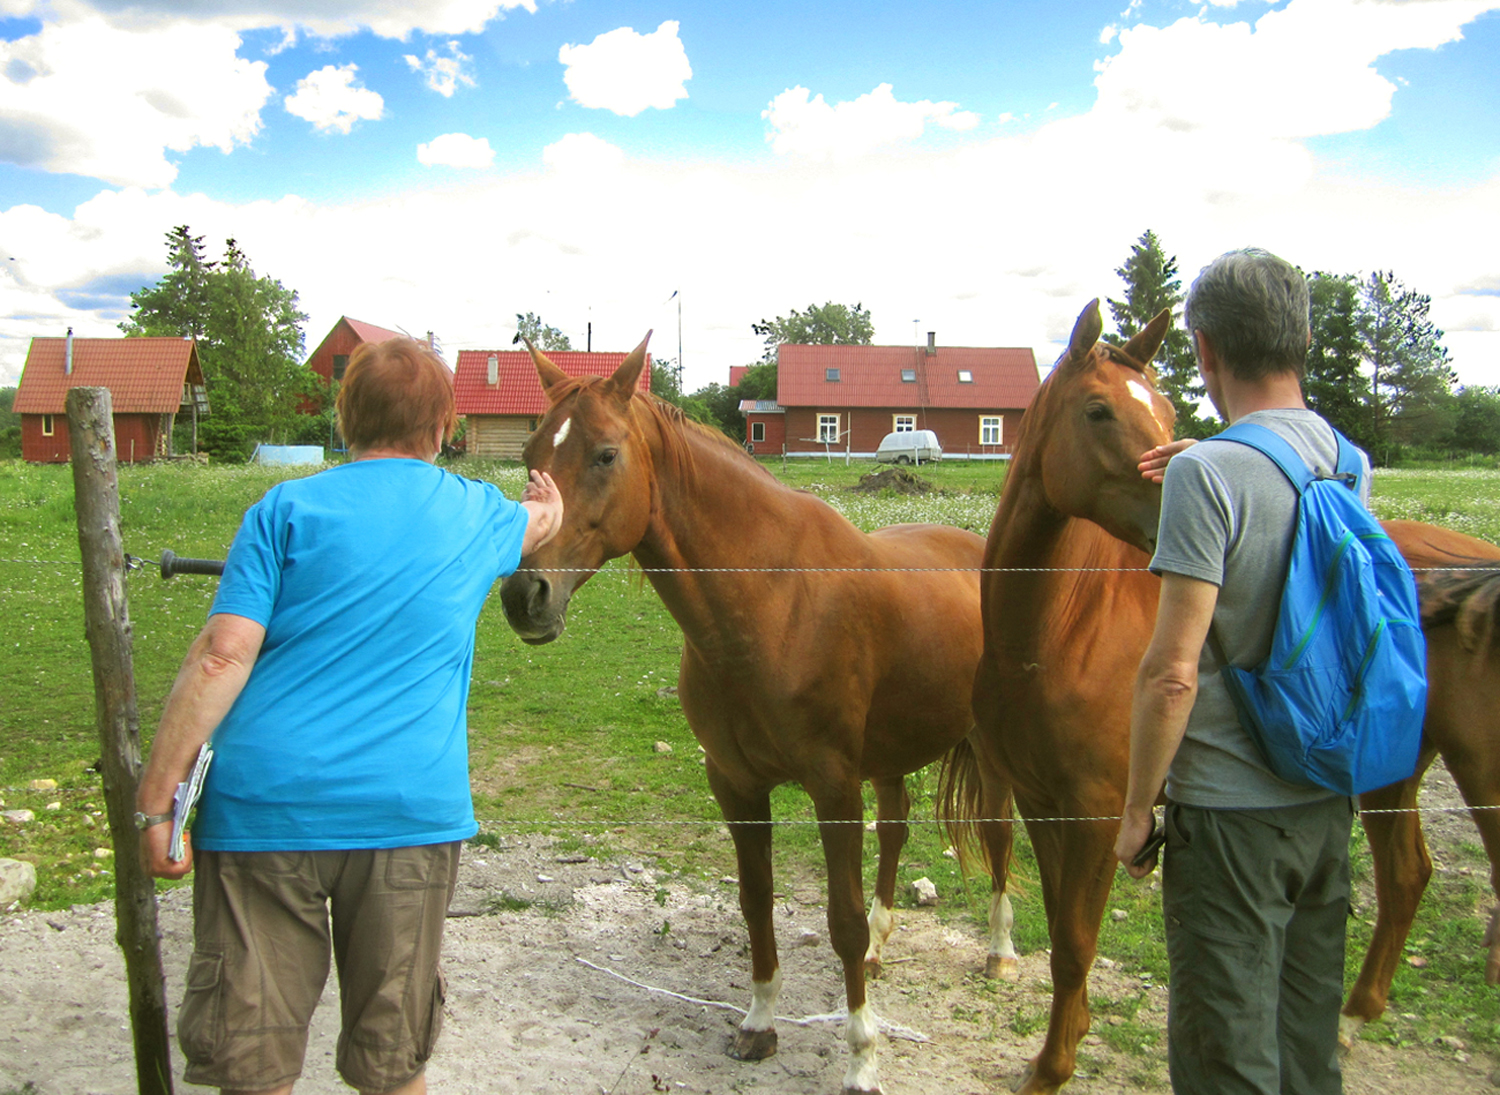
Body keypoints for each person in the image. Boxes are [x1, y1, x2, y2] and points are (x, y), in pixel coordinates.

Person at [135, 336, 563, 1095]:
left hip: (264, 811)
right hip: (406, 815)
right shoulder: (475, 514)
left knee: (251, 1065)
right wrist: (546, 504)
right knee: (393, 1064)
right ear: (445, 426)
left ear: (344, 416)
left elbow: (221, 656)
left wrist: (157, 801)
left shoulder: (282, 509)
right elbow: (537, 524)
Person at [1113, 249, 1366, 1094]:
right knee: (1306, 1047)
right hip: (1325, 801)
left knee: (1226, 1056)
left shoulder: (1206, 473)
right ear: (1302, 339)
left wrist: (1138, 809)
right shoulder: (1348, 459)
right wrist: (1219, 457)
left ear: (1206, 349)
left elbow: (1171, 673)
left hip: (1229, 818)